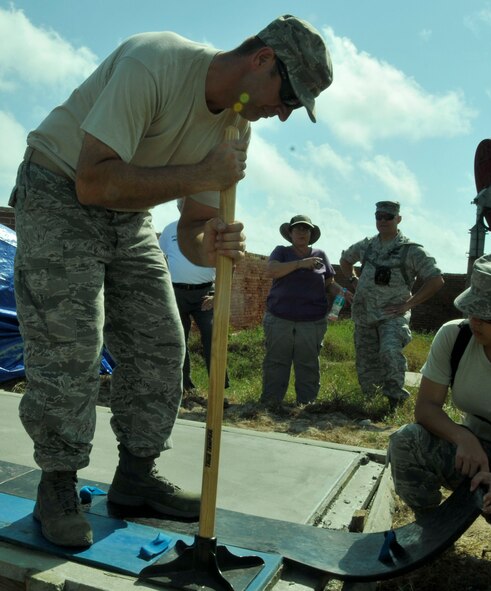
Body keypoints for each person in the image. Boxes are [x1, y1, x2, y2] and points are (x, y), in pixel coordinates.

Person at [8, 15, 332, 548]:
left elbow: (191, 231)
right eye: (289, 97)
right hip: (60, 191)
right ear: (262, 59)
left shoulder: (235, 125)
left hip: (128, 214)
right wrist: (202, 174)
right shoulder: (153, 62)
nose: (284, 115)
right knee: (72, 346)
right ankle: (57, 487)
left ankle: (136, 477)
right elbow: (92, 180)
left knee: (162, 342)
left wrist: (214, 245)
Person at [388, 249, 491, 572]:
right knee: (405, 442)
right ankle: (431, 528)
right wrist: (462, 436)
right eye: (472, 309)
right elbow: (426, 408)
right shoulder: (455, 335)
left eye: (488, 315)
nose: (474, 320)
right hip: (469, 452)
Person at [339, 201, 443, 409]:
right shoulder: (366, 245)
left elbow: (436, 280)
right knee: (366, 360)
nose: (383, 220)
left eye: (388, 216)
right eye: (379, 216)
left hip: (392, 314)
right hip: (364, 313)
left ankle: (395, 401)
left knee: (389, 351)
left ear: (398, 219)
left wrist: (409, 304)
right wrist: (353, 280)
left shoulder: (411, 250)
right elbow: (345, 259)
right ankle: (370, 402)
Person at [260, 215, 350, 407]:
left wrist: (342, 292)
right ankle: (270, 404)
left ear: (311, 234)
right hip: (279, 318)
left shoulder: (321, 255)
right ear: (290, 233)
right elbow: (271, 271)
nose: (302, 232)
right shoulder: (282, 252)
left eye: (306, 229)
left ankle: (307, 406)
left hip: (312, 321)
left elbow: (329, 283)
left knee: (308, 363)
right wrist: (301, 263)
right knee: (276, 362)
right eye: (298, 229)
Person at [158, 198, 229, 396]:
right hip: (176, 292)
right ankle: (184, 386)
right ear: (178, 207)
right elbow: (160, 258)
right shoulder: (169, 230)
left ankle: (219, 389)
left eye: (189, 204)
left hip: (206, 294)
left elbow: (228, 266)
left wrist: (218, 295)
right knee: (178, 339)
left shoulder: (213, 230)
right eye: (182, 204)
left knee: (214, 337)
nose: (185, 207)